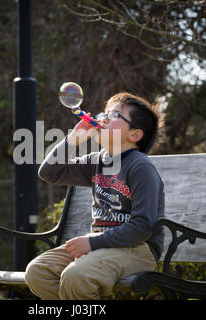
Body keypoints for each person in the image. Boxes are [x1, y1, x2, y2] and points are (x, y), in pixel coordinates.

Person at [24, 92, 165, 300]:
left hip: (137, 249)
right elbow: (48, 173)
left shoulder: (140, 166)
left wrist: (92, 244)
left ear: (134, 135)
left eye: (115, 115)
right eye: (104, 113)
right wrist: (72, 141)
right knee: (37, 272)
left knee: (76, 276)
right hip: (100, 243)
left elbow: (143, 226)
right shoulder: (97, 161)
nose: (104, 119)